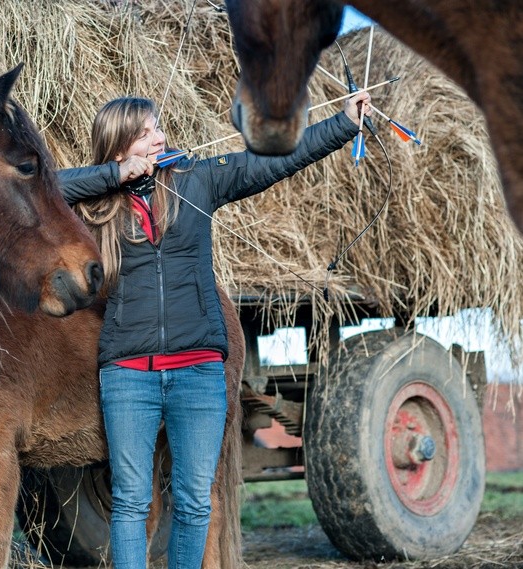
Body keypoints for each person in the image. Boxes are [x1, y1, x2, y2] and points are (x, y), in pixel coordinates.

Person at [58, 92, 372, 569]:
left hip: (198, 374)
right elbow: (38, 191)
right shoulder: (96, 209)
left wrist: (343, 124)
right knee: (129, 502)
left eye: (158, 127)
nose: (160, 137)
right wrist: (113, 177)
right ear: (119, 146)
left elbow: (274, 161)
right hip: (127, 375)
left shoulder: (195, 181)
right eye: (145, 132)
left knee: (193, 501)